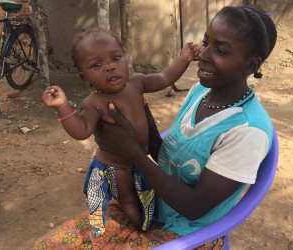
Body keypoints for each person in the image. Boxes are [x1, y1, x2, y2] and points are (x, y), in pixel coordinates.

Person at [34, 5, 277, 249]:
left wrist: (133, 152)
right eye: (206, 42)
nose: (203, 54)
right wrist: (143, 118)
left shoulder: (248, 131)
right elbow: (167, 156)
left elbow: (194, 207)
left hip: (188, 233)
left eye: (221, 50)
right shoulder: (201, 92)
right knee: (49, 245)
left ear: (250, 65)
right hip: (150, 203)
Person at [42, 27, 199, 236]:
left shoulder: (137, 83)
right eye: (96, 65)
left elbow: (164, 78)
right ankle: (144, 230)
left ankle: (147, 218)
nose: (109, 67)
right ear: (84, 76)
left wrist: (184, 58)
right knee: (129, 201)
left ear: (126, 58)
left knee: (147, 192)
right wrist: (63, 106)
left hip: (139, 159)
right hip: (117, 167)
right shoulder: (93, 103)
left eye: (116, 58)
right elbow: (81, 131)